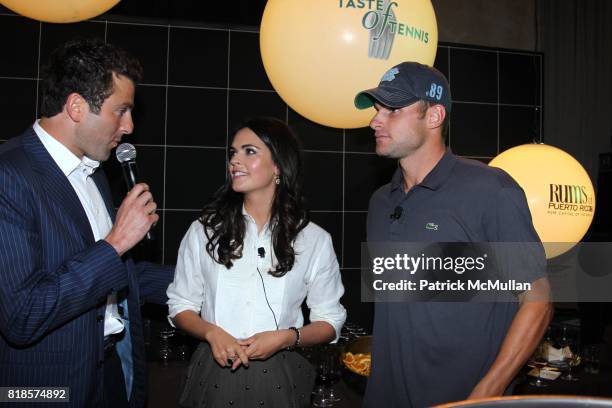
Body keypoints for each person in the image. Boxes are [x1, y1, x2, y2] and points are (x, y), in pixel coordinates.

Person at [354, 62, 553, 407]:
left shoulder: (490, 190)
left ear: (434, 116)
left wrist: (485, 394)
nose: (375, 120)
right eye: (376, 109)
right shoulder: (380, 201)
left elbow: (538, 301)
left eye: (393, 110)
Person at [0, 39, 174, 407]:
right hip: (44, 391)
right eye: (121, 111)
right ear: (77, 106)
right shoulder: (9, 176)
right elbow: (23, 314)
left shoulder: (93, 173)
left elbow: (119, 275)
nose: (128, 127)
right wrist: (115, 244)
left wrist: (210, 277)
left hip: (110, 374)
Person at [167, 117, 346, 408]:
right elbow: (180, 306)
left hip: (282, 373)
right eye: (233, 153)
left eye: (249, 151)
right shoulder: (204, 230)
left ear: (278, 166)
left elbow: (330, 321)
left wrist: (287, 337)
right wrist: (212, 332)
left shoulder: (314, 239)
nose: (235, 160)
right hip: (213, 371)